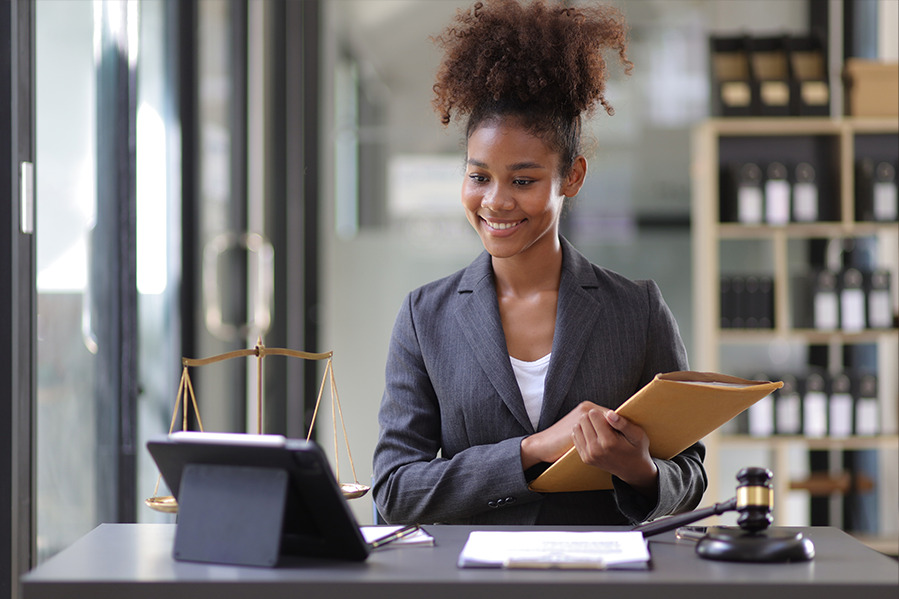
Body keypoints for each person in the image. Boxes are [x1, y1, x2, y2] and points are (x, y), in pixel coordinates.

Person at [372, 0, 706, 526]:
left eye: (523, 181)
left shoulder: (635, 309)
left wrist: (640, 470)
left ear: (571, 178)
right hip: (469, 578)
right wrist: (532, 451)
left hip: (600, 575)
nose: (495, 201)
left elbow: (689, 476)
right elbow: (394, 493)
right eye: (479, 176)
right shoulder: (425, 317)